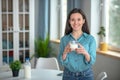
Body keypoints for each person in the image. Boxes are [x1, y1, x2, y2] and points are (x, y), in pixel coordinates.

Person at [58, 8, 96, 80]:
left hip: (86, 75)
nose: (75, 23)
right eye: (73, 20)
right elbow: (61, 61)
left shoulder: (90, 39)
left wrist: (85, 53)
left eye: (79, 19)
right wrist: (65, 53)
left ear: (83, 21)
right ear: (69, 21)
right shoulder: (64, 39)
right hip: (68, 75)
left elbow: (92, 61)